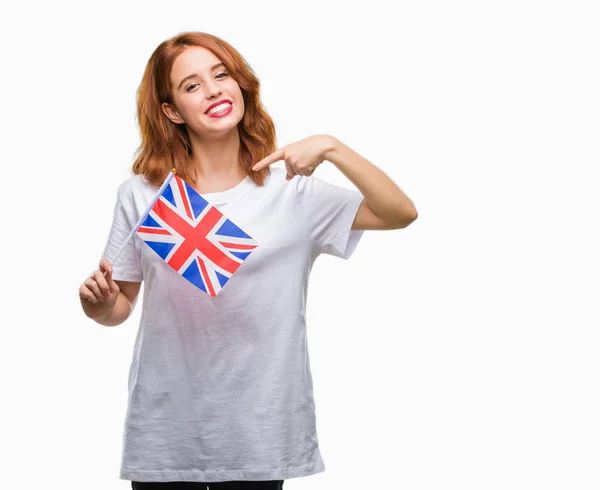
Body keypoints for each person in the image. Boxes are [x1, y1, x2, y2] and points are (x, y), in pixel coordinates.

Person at [78, 31, 418, 490]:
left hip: (260, 432)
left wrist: (332, 147)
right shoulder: (145, 194)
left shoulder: (292, 193)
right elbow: (118, 306)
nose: (214, 89)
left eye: (222, 75)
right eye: (192, 85)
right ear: (172, 111)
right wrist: (99, 306)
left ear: (241, 86)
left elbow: (401, 213)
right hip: (165, 430)